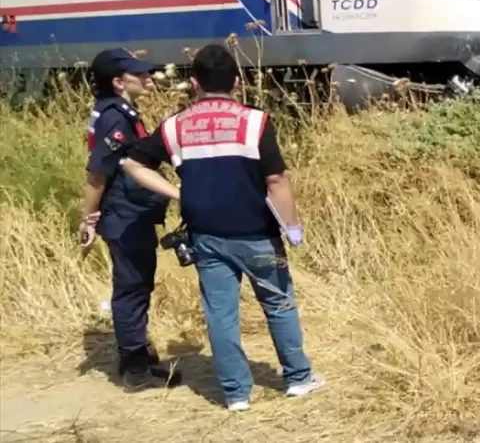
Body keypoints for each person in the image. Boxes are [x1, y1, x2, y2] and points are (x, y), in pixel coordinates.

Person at [121, 44, 322, 412]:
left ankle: (235, 394)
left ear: (194, 82)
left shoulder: (174, 126)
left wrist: (178, 193)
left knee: (220, 314)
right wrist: (292, 227)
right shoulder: (256, 121)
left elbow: (133, 164)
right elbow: (276, 180)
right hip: (258, 232)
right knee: (278, 305)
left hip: (206, 235)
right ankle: (298, 378)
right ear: (236, 81)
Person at [79, 48, 182, 391]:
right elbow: (98, 174)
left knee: (138, 282)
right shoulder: (115, 118)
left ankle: (138, 355)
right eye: (140, 74)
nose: (149, 77)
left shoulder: (118, 110)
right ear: (119, 82)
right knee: (131, 286)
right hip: (123, 214)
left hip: (129, 212)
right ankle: (135, 368)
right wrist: (88, 220)